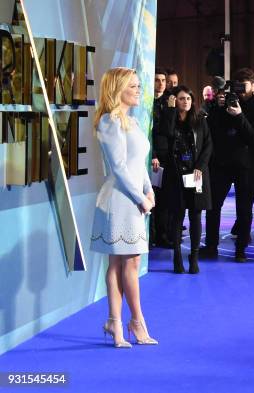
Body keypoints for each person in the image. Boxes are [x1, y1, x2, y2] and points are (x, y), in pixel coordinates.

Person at [90, 67, 157, 348]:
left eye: (139, 86)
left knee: (130, 262)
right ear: (118, 89)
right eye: (134, 86)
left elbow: (138, 164)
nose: (139, 90)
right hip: (119, 200)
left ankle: (119, 323)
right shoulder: (109, 121)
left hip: (135, 198)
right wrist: (140, 198)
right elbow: (117, 167)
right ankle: (128, 323)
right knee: (120, 262)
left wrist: (149, 189)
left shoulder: (134, 123)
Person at [200, 68, 254, 262]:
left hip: (247, 165)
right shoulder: (222, 103)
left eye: (243, 86)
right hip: (220, 163)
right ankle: (211, 246)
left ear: (253, 86)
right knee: (213, 207)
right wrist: (216, 108)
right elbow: (210, 130)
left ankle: (240, 249)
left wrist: (239, 115)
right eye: (236, 86)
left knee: (244, 208)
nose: (239, 91)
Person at [160, 86, 213, 273]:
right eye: (182, 99)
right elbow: (165, 135)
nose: (186, 102)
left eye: (189, 99)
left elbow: (208, 145)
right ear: (176, 100)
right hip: (176, 174)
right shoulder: (170, 119)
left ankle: (194, 256)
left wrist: (200, 167)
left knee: (196, 215)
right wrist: (170, 111)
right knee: (177, 215)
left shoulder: (200, 120)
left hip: (196, 174)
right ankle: (176, 256)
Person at [150, 68, 173, 249]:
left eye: (163, 80)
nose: (161, 84)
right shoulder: (144, 102)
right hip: (150, 155)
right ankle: (150, 236)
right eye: (157, 80)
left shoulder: (169, 102)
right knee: (150, 198)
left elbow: (169, 130)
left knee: (165, 200)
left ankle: (163, 235)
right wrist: (154, 155)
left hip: (167, 157)